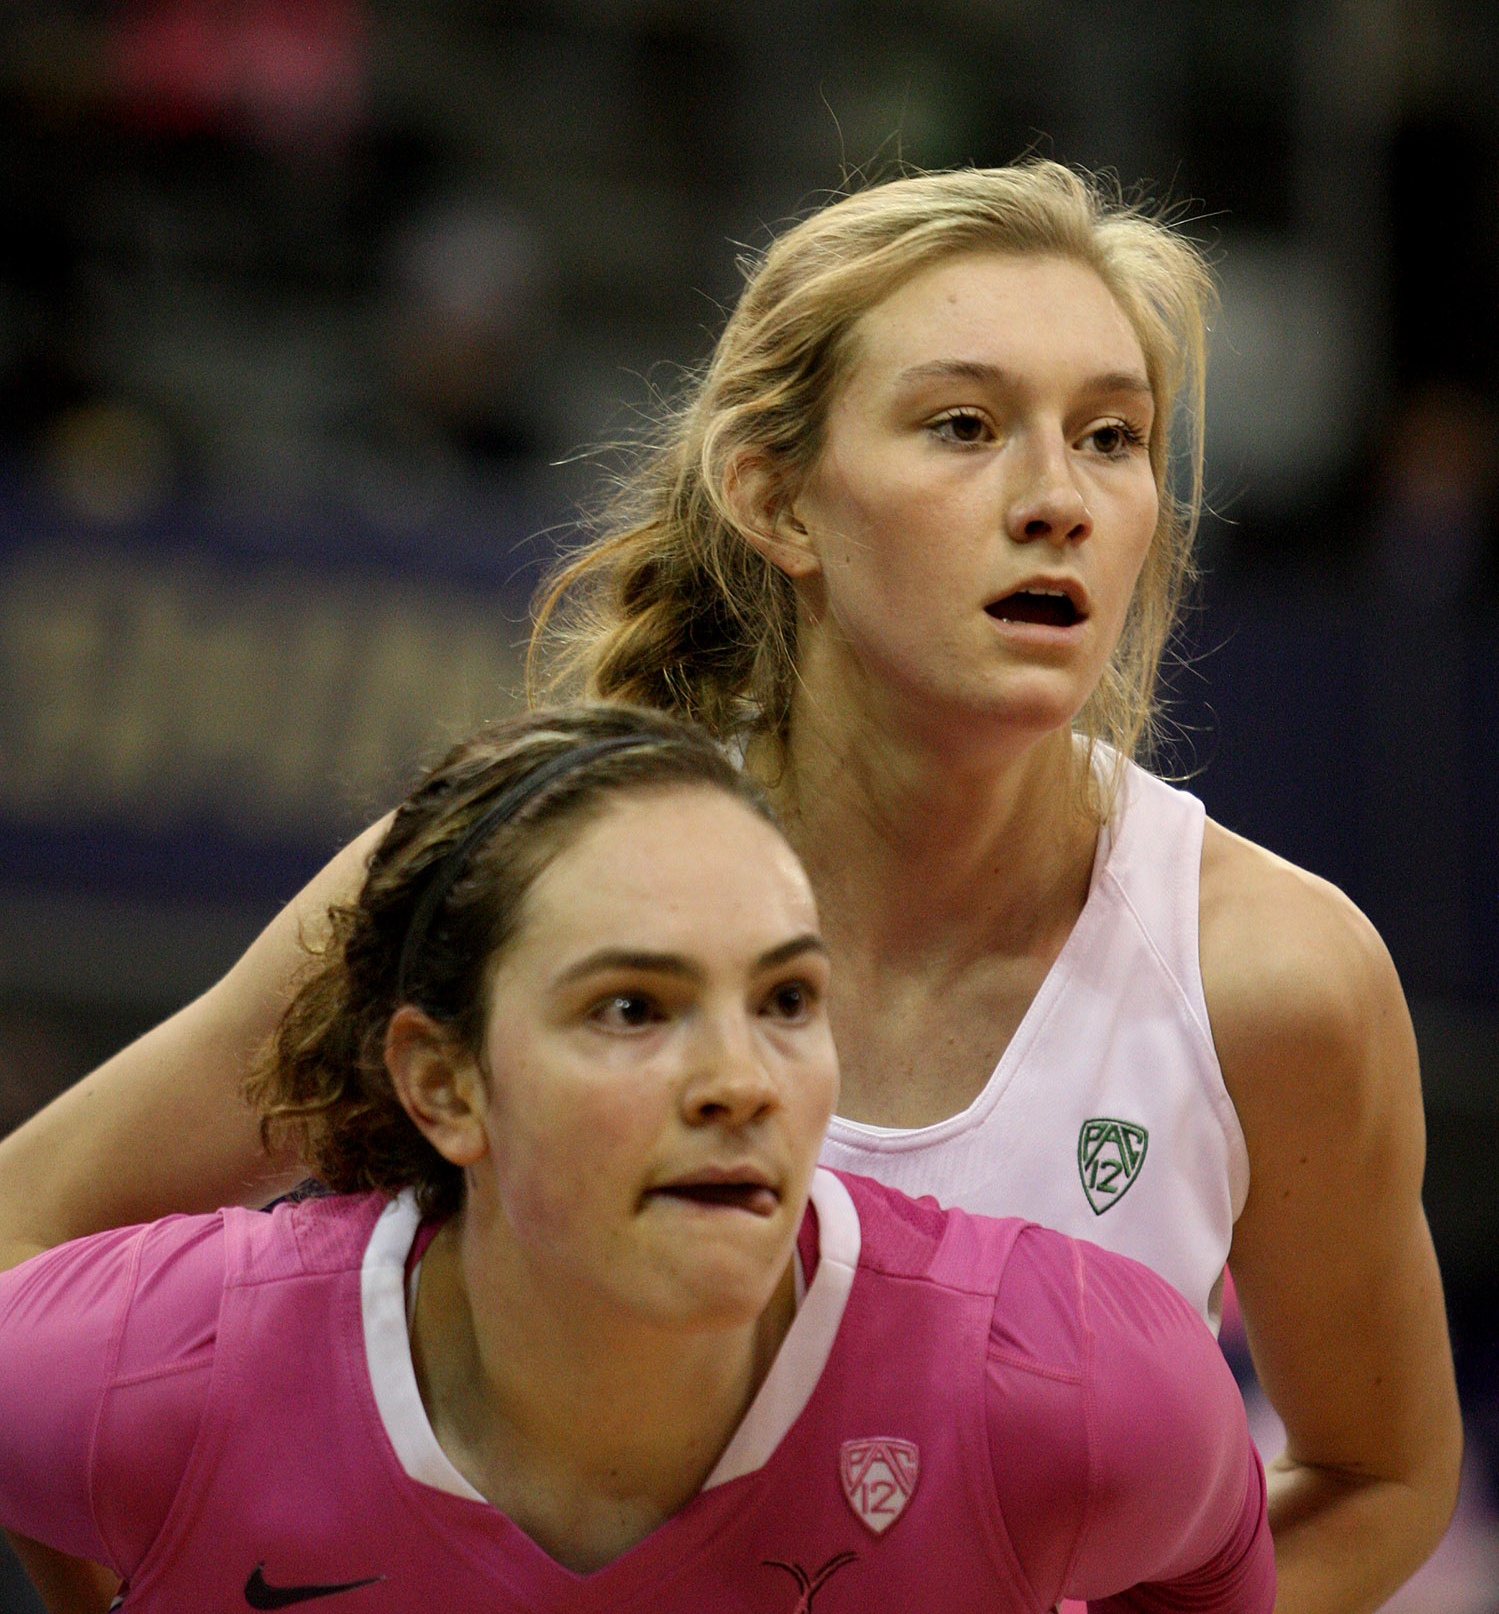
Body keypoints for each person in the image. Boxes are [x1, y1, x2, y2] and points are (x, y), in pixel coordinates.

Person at [0, 164, 1460, 1614]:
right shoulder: (507, 892)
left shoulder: (1267, 975)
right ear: (775, 496)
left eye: (1109, 438)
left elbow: (1378, 1477)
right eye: (963, 426)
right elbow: (28, 1229)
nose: (1056, 500)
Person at [0, 705, 1274, 1612]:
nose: (740, 1085)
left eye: (785, 1001)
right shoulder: (160, 1371)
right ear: (445, 1085)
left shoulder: (1075, 1389)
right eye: (630, 1010)